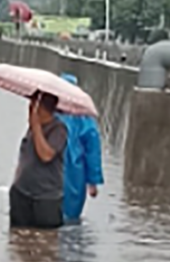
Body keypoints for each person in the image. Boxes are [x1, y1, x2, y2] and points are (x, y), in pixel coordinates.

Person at [10, 90, 68, 230]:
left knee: (45, 244)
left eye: (33, 105)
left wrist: (36, 125)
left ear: (40, 108)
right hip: (22, 193)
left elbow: (46, 155)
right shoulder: (32, 128)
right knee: (19, 241)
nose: (29, 109)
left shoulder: (59, 129)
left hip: (46, 198)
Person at [56, 73, 104, 223]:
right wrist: (93, 181)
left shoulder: (48, 113)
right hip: (75, 172)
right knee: (71, 215)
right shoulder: (84, 117)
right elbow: (92, 151)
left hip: (51, 169)